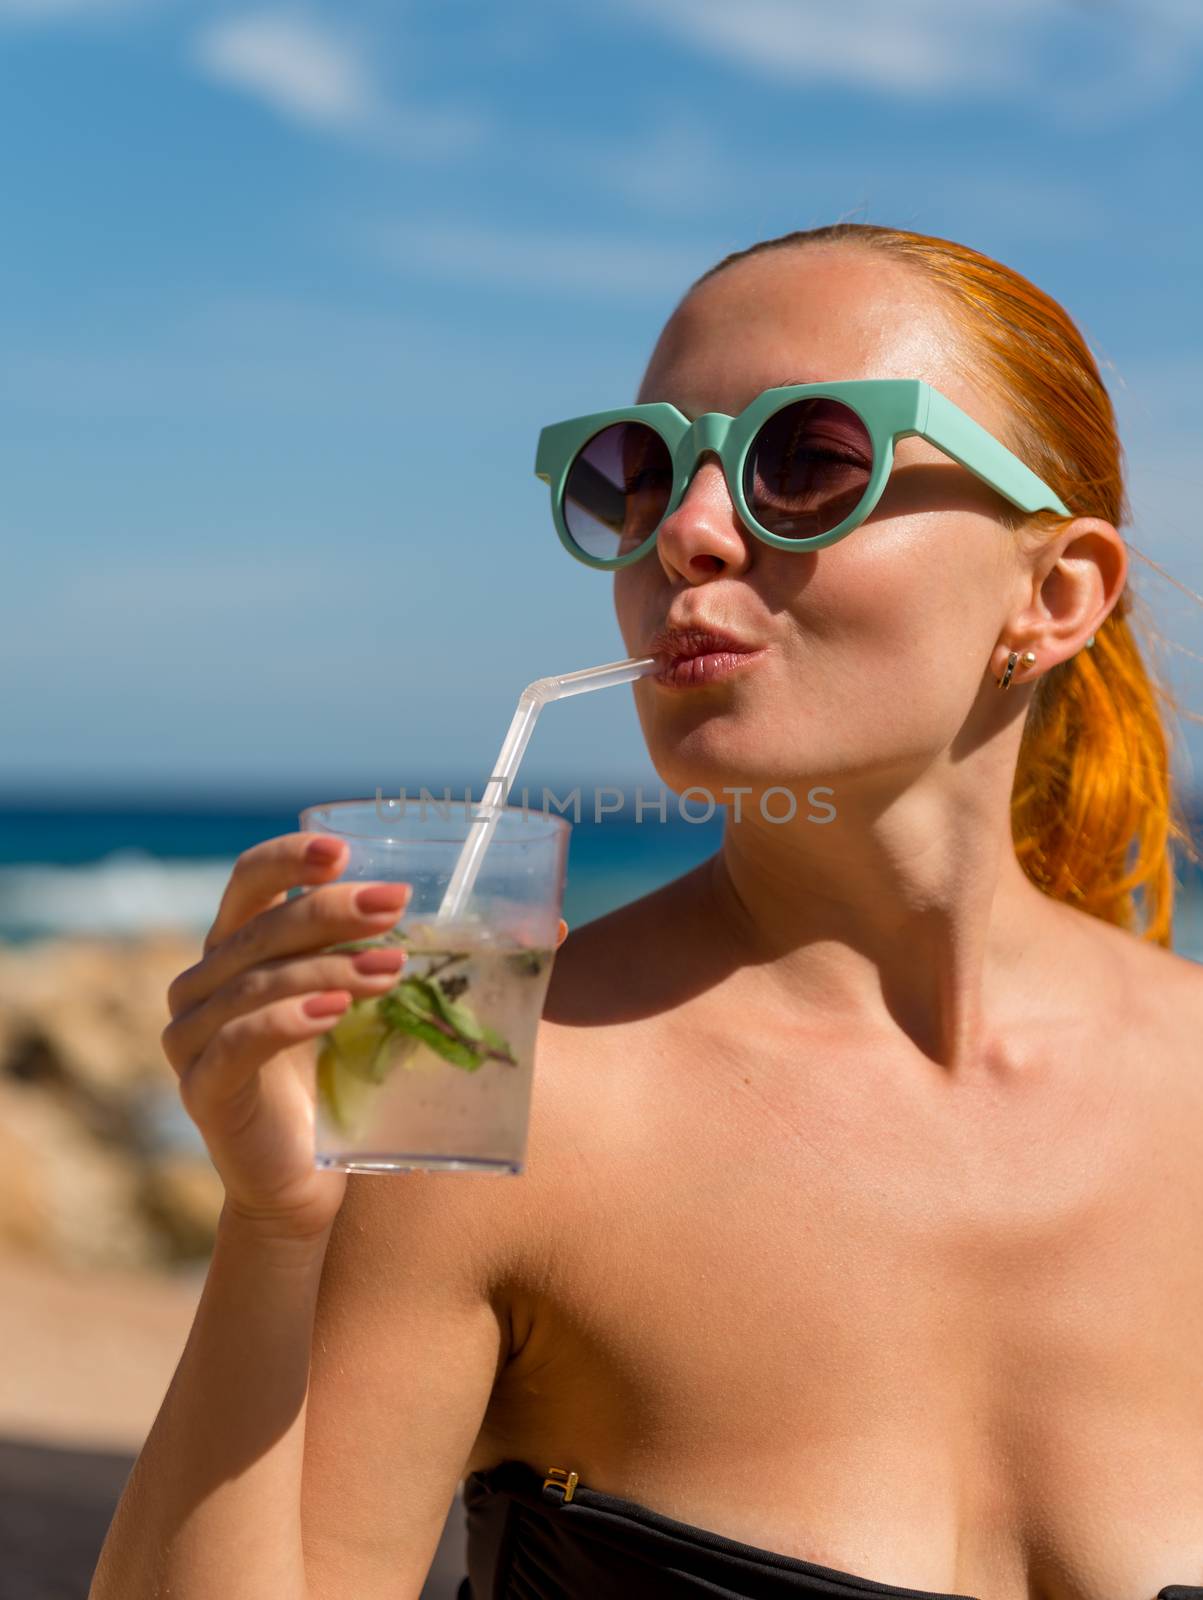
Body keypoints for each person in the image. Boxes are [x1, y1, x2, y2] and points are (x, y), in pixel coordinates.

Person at [90, 223, 1203, 1600]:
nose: (684, 531)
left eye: (808, 461)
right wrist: (275, 1236)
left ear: (1055, 591)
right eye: (641, 474)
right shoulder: (489, 1082)